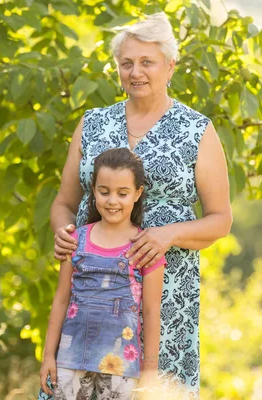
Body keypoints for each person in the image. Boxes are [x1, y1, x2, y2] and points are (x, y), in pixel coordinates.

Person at [50, 12, 232, 397]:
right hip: (91, 293)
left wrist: (169, 234)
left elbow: (221, 220)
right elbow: (65, 202)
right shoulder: (93, 123)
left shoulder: (197, 130)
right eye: (126, 63)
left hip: (166, 297)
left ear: (170, 66)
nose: (136, 72)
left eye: (147, 62)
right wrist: (64, 233)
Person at [39, 148, 165, 399]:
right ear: (93, 189)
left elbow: (151, 311)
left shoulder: (146, 248)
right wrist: (47, 357)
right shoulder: (75, 240)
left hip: (121, 366)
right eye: (104, 192)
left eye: (122, 193)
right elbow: (61, 299)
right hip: (70, 360)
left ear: (138, 193)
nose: (112, 201)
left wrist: (150, 372)